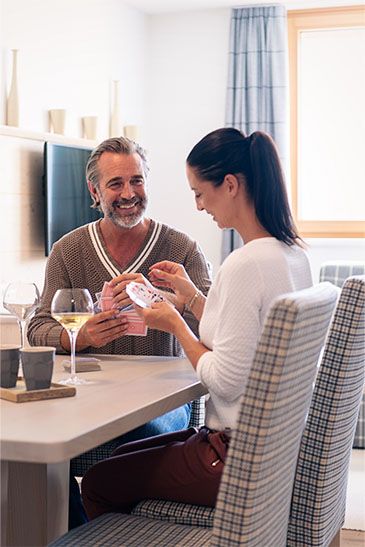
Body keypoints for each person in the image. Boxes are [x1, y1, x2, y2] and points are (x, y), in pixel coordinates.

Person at [81, 127, 313, 519]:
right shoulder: (291, 255)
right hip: (274, 448)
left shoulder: (245, 264)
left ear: (230, 185)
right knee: (122, 456)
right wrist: (189, 299)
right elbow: (241, 337)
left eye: (199, 193)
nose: (200, 206)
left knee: (100, 481)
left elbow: (223, 379)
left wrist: (174, 323)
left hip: (234, 458)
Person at [28, 136, 211, 528]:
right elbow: (38, 326)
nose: (129, 193)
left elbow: (214, 326)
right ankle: (79, 533)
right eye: (115, 184)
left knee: (135, 440)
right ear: (94, 190)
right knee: (43, 453)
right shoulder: (68, 250)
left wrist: (168, 302)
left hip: (164, 401)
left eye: (137, 181)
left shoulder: (181, 248)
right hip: (93, 399)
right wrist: (80, 335)